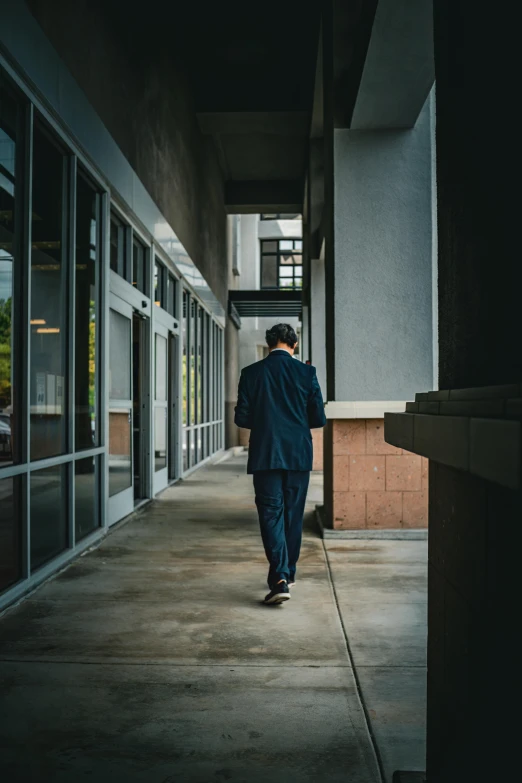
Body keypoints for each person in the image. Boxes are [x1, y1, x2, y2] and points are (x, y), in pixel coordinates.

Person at [234, 323, 326, 605]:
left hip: (265, 454)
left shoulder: (251, 373)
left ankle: (280, 577)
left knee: (271, 514)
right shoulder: (307, 373)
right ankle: (288, 573)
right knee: (293, 515)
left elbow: (242, 418)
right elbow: (318, 419)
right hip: (298, 453)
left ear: (269, 343)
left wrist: (266, 421)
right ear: (294, 345)